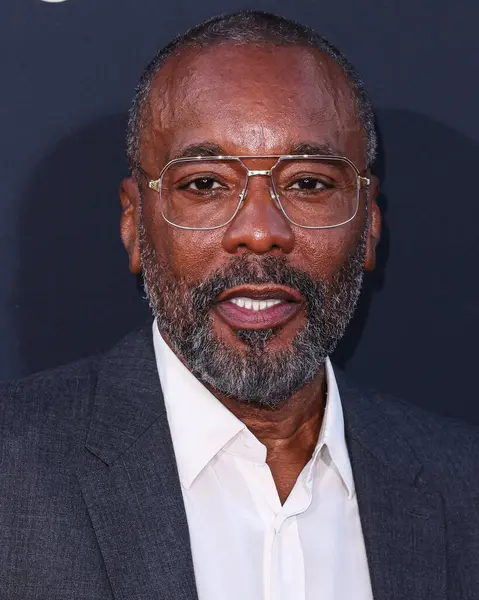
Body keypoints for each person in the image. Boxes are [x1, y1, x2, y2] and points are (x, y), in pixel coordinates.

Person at [1, 9, 479, 600]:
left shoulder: (463, 487)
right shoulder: (13, 466)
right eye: (205, 184)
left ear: (370, 227)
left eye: (308, 183)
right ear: (134, 223)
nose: (260, 231)